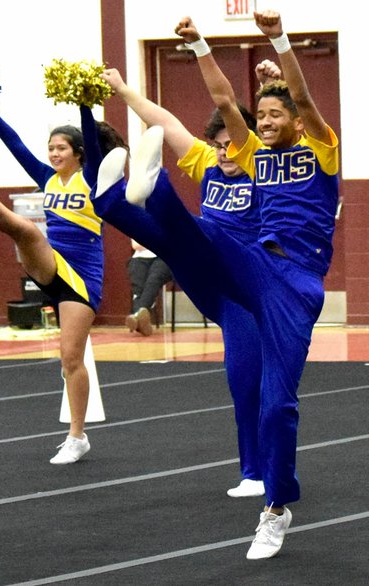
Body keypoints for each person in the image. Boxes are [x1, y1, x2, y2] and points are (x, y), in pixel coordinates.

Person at [176, 9, 340, 560]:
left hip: (299, 282)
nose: (265, 121)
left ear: (294, 121)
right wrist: (200, 45)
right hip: (258, 264)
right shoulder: (251, 153)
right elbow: (226, 102)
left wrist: (280, 40)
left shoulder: (320, 147)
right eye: (262, 114)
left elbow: (306, 101)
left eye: (275, 114)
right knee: (203, 230)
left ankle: (276, 506)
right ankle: (140, 202)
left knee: (277, 406)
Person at [99, 63, 283, 498]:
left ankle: (253, 474)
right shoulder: (207, 163)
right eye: (216, 146)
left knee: (243, 381)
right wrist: (123, 89)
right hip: (211, 286)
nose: (222, 153)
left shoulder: (264, 169)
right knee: (174, 240)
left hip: (248, 286)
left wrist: (272, 86)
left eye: (230, 145)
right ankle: (111, 199)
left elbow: (279, 126)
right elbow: (166, 123)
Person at [0, 100, 115, 464]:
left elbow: (92, 139)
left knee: (70, 358)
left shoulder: (90, 176)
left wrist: (82, 103)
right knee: (26, 232)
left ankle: (77, 435)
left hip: (82, 275)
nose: (53, 153)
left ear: (78, 153)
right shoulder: (46, 178)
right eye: (50, 148)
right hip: (51, 262)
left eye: (61, 148)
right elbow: (16, 146)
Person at [126, 239, 172, 336]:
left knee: (153, 280)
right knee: (138, 289)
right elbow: (136, 245)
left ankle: (137, 318)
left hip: (163, 257)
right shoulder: (137, 223)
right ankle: (142, 322)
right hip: (139, 258)